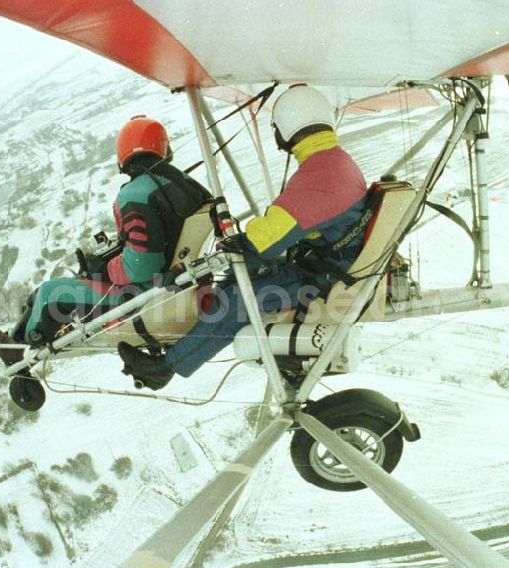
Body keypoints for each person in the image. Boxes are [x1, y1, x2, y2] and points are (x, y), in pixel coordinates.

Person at [118, 84, 369, 390]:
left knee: (235, 301)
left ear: (288, 127)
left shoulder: (321, 174)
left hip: (327, 278)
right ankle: (201, 330)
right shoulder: (332, 161)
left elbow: (269, 240)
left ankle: (166, 367)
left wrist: (241, 245)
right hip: (328, 263)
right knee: (240, 276)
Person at [0, 116, 211, 364]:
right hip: (184, 281)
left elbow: (141, 265)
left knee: (50, 293)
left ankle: (21, 348)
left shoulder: (135, 194)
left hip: (149, 294)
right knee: (50, 293)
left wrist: (103, 268)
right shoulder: (187, 183)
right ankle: (14, 338)